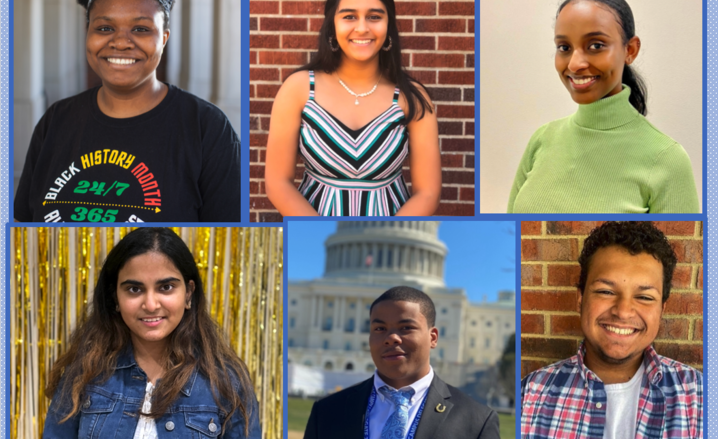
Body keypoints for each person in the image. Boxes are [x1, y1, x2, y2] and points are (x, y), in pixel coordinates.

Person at [15, 0, 242, 223]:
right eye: (104, 28)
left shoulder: (206, 128)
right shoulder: (56, 120)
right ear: (88, 34)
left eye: (141, 29)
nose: (121, 42)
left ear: (163, 39)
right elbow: (24, 226)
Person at [43, 228, 261, 438]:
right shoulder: (83, 373)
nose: (150, 304)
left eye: (165, 287)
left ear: (188, 294)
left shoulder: (227, 383)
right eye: (134, 289)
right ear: (115, 297)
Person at [508, 0, 699, 214]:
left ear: (630, 50)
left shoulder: (667, 159)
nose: (574, 64)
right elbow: (509, 237)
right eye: (564, 48)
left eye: (596, 45)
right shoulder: (541, 140)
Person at [265, 0, 441, 216]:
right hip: (316, 235)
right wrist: (322, 236)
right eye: (349, 16)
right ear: (332, 24)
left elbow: (428, 192)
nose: (362, 28)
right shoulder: (299, 89)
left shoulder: (412, 98)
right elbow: (277, 183)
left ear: (388, 24)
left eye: (374, 17)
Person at [521, 222, 703, 438]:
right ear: (580, 300)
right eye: (606, 291)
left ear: (662, 309)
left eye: (644, 297)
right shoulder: (530, 394)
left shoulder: (701, 396)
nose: (623, 312)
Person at [304, 286, 499, 439]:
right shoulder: (327, 412)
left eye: (406, 327)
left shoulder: (477, 422)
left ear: (433, 337)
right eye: (380, 329)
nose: (391, 338)